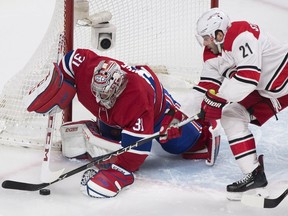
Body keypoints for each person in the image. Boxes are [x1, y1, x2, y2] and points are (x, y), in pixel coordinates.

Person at [24, 48, 221, 198]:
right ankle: (103, 132)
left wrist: (119, 171)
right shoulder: (85, 66)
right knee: (109, 134)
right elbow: (68, 63)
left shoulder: (135, 100)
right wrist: (57, 87)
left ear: (118, 85)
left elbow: (136, 153)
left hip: (157, 105)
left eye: (106, 94)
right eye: (97, 93)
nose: (101, 99)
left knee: (178, 143)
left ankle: (205, 133)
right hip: (124, 106)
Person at [191, 7, 288, 200]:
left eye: (206, 37)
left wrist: (218, 99)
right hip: (270, 91)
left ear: (218, 33)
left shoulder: (241, 36)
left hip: (283, 78)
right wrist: (176, 115)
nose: (204, 42)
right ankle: (254, 175)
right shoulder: (212, 56)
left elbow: (248, 78)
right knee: (231, 115)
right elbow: (203, 91)